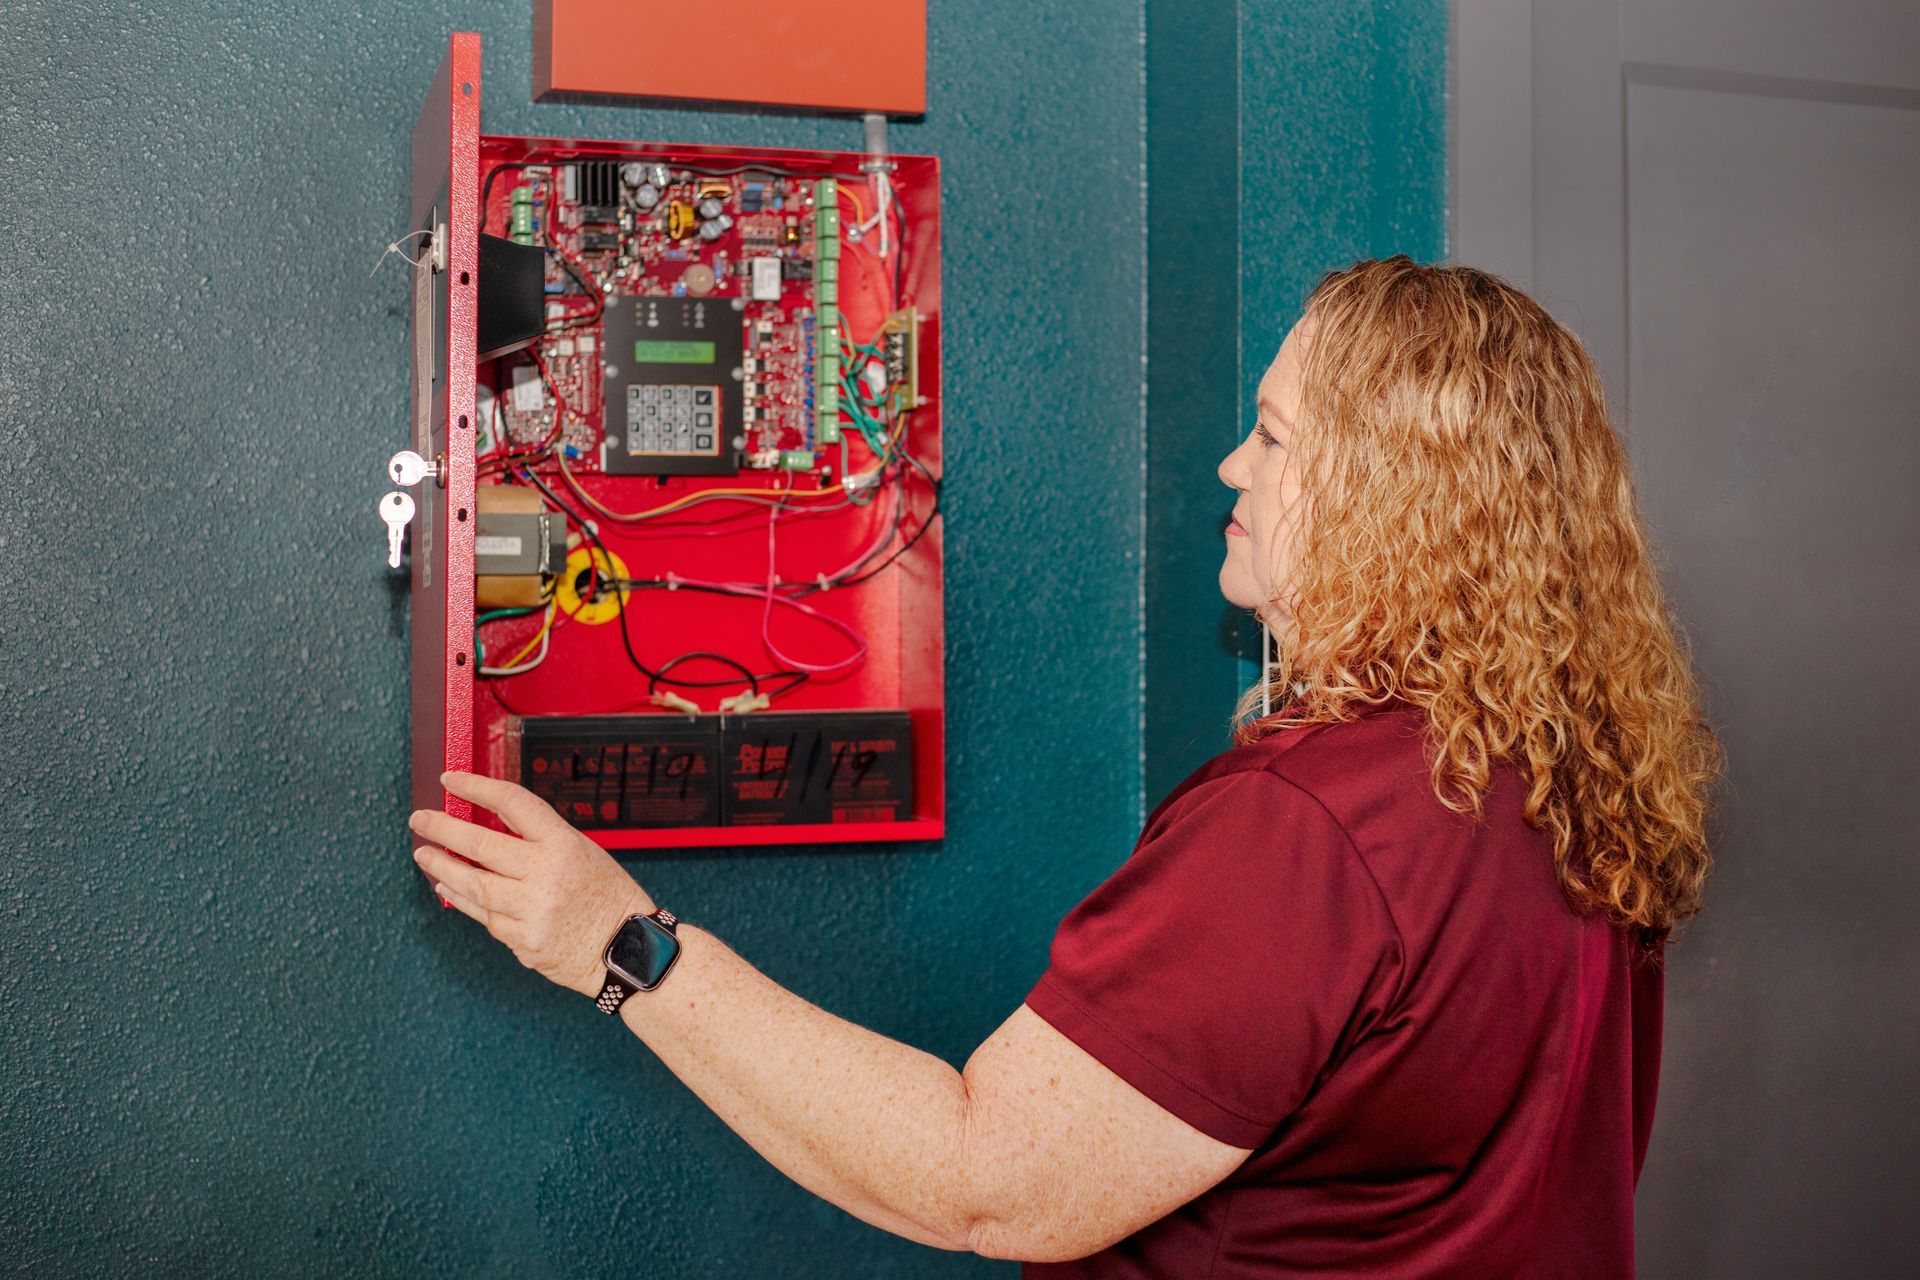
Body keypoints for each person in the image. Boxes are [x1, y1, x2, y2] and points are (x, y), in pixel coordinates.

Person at [410, 257, 1720, 1276]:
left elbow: (987, 1176)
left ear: (1386, 495)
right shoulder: (1552, 780)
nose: (1231, 468)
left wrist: (617, 943)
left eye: (1271, 437)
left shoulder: (1311, 832)